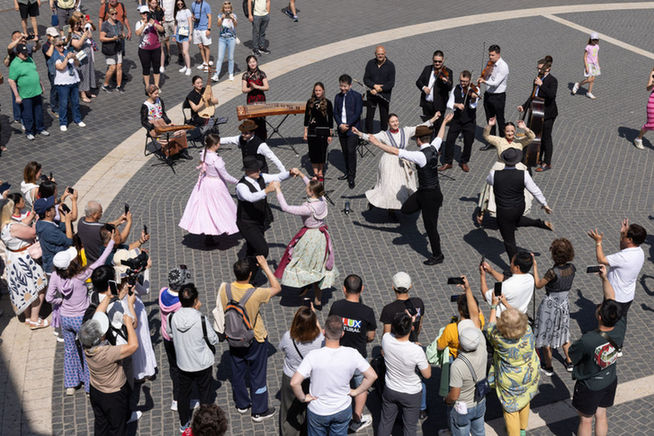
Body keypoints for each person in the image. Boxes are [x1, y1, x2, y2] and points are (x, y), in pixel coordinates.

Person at [367, 113, 453, 265]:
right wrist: (444, 122)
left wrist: (377, 143)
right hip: (428, 192)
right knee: (406, 209)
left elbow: (395, 151)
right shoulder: (434, 147)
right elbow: (440, 136)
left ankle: (438, 255)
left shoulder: (420, 156)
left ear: (418, 140)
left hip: (429, 196)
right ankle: (420, 207)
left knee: (431, 227)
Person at [46, 235, 116, 395]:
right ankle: (89, 386)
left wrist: (60, 301)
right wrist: (111, 243)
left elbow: (49, 298)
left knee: (69, 350)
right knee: (88, 350)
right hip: (82, 318)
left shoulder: (55, 276)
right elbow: (100, 262)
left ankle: (71, 384)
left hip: (65, 318)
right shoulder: (81, 275)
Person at [217, 256, 281, 422]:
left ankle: (242, 404)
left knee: (237, 373)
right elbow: (277, 287)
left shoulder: (225, 289)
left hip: (233, 336)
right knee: (257, 375)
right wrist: (265, 267)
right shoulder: (256, 293)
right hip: (255, 338)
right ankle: (259, 410)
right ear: (251, 274)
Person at [290, 315, 378, 436]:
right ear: (342, 334)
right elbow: (372, 376)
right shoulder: (352, 353)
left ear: (324, 332)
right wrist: (356, 392)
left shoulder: (313, 356)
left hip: (318, 410)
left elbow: (294, 382)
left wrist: (303, 398)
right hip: (342, 408)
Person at [570, 266, 624, 436]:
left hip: (590, 385)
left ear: (599, 316)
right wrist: (604, 278)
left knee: (586, 419)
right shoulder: (619, 325)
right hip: (610, 379)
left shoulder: (588, 339)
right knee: (601, 414)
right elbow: (611, 298)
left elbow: (573, 354)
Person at [272, 169, 338, 309]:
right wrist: (302, 174)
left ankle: (305, 288)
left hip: (309, 238)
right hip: (321, 237)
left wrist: (278, 190)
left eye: (307, 188)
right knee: (319, 266)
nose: (305, 188)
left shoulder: (308, 209)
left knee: (303, 264)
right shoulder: (322, 199)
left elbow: (285, 207)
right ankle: (318, 299)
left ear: (311, 192)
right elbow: (312, 185)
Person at [352, 112, 439, 214]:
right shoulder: (384, 135)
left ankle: (396, 207)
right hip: (389, 162)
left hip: (403, 162)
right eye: (392, 122)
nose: (395, 123)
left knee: (402, 185)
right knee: (391, 186)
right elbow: (371, 137)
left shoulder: (406, 131)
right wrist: (359, 133)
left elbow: (419, 128)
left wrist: (433, 119)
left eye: (396, 121)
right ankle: (390, 210)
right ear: (388, 123)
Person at [167, 283, 219, 433]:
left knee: (183, 394)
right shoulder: (200, 319)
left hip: (183, 363)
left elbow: (170, 334)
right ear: (195, 300)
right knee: (205, 395)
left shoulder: (172, 317)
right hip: (202, 363)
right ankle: (204, 425)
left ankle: (184, 424)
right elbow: (213, 339)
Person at [328, 274, 376, 432]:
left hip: (338, 355)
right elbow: (371, 336)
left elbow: (331, 327)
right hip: (357, 358)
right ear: (362, 289)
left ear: (344, 289)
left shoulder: (336, 307)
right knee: (361, 387)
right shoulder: (367, 312)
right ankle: (356, 418)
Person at [79, 307, 138, 435]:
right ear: (99, 338)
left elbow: (97, 315)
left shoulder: (85, 344)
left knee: (101, 424)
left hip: (96, 390)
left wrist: (107, 298)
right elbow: (133, 346)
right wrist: (129, 324)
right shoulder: (106, 353)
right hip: (113, 396)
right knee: (118, 428)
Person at [484, 300, 539, 436]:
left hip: (510, 379)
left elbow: (490, 326)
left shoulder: (499, 339)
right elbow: (519, 320)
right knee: (524, 399)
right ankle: (522, 429)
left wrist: (494, 306)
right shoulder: (528, 331)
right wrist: (507, 305)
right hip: (529, 372)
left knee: (511, 410)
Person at [486, 148, 553, 260]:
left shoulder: (494, 174)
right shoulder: (524, 174)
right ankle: (540, 223)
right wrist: (544, 204)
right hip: (518, 207)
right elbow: (535, 190)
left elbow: (488, 181)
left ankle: (514, 265)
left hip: (504, 211)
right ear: (517, 161)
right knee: (516, 220)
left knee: (509, 241)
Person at [378, 313, 431, 436]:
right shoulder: (416, 351)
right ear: (411, 328)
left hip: (391, 389)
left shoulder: (386, 339)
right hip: (411, 394)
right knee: (410, 427)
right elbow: (427, 374)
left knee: (385, 422)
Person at [178, 133, 240, 239]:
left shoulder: (204, 153)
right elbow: (225, 176)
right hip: (216, 185)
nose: (220, 145)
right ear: (214, 145)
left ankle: (209, 234)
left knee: (206, 208)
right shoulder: (216, 160)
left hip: (205, 182)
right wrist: (238, 181)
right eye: (218, 143)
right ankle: (221, 227)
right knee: (220, 208)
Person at [587, 219, 646, 330]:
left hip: (614, 296)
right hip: (628, 296)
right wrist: (622, 234)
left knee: (607, 322)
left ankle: (605, 338)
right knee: (620, 320)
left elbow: (601, 259)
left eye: (625, 235)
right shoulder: (640, 252)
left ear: (630, 239)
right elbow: (623, 249)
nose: (623, 236)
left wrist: (598, 242)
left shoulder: (623, 257)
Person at [476, 117, 536, 225]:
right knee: (491, 193)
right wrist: (489, 125)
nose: (510, 133)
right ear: (504, 131)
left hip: (515, 171)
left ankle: (514, 214)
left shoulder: (520, 142)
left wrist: (524, 128)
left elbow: (532, 137)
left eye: (512, 131)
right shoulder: (499, 141)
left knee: (518, 194)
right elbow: (486, 136)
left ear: (515, 131)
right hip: (500, 169)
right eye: (508, 131)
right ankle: (482, 212)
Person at [532, 239, 575, 376]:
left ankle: (548, 366)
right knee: (564, 333)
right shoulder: (572, 268)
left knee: (546, 336)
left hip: (550, 307)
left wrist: (535, 267)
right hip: (564, 305)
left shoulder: (552, 272)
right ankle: (569, 361)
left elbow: (538, 285)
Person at [278, 306, 324, 436]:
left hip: (291, 376)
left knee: (289, 410)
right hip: (311, 379)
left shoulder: (288, 337)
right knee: (309, 409)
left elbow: (282, 348)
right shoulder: (320, 339)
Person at [235, 158, 292, 261]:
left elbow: (277, 177)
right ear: (248, 171)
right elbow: (250, 197)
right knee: (262, 250)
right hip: (247, 223)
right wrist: (266, 190)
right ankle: (252, 266)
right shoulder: (241, 186)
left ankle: (247, 267)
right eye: (256, 170)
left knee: (252, 249)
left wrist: (290, 173)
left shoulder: (261, 177)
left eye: (259, 169)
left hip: (259, 220)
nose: (259, 171)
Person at [0, 199, 47, 325]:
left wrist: (32, 214)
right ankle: (34, 319)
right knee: (38, 288)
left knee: (24, 289)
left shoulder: (3, 224)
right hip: (24, 260)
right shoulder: (12, 227)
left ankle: (27, 317)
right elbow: (32, 233)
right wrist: (36, 221)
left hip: (13, 259)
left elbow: (22, 224)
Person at [112, 249, 156, 381]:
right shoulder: (131, 281)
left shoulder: (115, 280)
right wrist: (147, 270)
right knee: (142, 340)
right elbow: (145, 290)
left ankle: (136, 373)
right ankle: (146, 370)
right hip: (136, 311)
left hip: (123, 313)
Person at [159, 266, 192, 411]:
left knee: (173, 367)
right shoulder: (180, 303)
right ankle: (182, 397)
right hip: (179, 340)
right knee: (184, 368)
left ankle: (176, 398)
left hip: (166, 337)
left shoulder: (162, 292)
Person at [518, 56, 558, 172]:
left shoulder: (552, 80)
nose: (539, 71)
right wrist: (524, 106)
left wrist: (542, 85)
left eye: (541, 69)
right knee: (536, 136)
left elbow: (551, 95)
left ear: (548, 69)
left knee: (546, 137)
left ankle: (547, 162)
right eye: (538, 68)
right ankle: (537, 158)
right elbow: (533, 95)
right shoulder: (537, 78)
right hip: (537, 111)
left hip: (548, 113)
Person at [440, 70, 479, 172]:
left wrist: (473, 98)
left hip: (469, 120)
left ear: (469, 81)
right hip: (457, 119)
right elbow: (449, 104)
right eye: (461, 81)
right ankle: (448, 162)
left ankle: (464, 161)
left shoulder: (475, 90)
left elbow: (473, 106)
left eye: (465, 81)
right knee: (449, 140)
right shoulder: (455, 88)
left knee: (468, 142)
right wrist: (456, 105)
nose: (463, 83)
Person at [8, 43, 49, 140]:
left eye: (26, 52)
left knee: (39, 112)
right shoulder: (15, 64)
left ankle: (40, 128)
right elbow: (11, 80)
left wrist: (41, 85)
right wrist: (17, 95)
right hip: (25, 94)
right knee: (28, 114)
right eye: (23, 53)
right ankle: (29, 131)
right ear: (18, 53)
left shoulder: (30, 59)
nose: (26, 54)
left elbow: (35, 72)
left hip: (36, 91)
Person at [141, 84, 190, 158]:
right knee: (165, 137)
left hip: (162, 123)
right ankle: (168, 154)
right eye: (155, 94)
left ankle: (182, 151)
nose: (157, 95)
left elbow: (163, 113)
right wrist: (152, 128)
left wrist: (168, 122)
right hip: (153, 126)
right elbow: (143, 121)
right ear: (149, 94)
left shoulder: (159, 100)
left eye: (158, 93)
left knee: (181, 132)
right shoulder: (145, 106)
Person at [481, 251, 535, 317]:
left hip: (505, 320)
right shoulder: (531, 278)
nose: (510, 264)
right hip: (521, 318)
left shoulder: (506, 286)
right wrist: (491, 271)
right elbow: (506, 279)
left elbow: (485, 296)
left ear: (517, 267)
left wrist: (482, 275)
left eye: (512, 262)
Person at [221, 119, 285, 173]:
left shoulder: (260, 145)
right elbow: (228, 140)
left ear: (252, 133)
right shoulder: (240, 138)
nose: (243, 135)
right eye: (242, 132)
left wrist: (283, 172)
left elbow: (273, 158)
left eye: (246, 133)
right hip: (248, 171)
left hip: (260, 172)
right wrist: (215, 141)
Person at [333, 74, 363, 189]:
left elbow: (357, 113)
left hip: (352, 129)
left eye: (345, 86)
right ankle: (347, 171)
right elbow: (335, 112)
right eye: (341, 86)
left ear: (350, 85)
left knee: (351, 151)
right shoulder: (337, 97)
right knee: (345, 152)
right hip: (341, 129)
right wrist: (340, 124)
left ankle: (351, 176)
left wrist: (348, 125)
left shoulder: (357, 96)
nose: (343, 88)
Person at [478, 44, 509, 149]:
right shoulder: (490, 63)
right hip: (488, 95)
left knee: (500, 120)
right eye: (489, 55)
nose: (490, 57)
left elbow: (495, 83)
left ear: (498, 54)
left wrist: (484, 81)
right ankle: (492, 142)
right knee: (490, 120)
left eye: (492, 55)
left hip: (498, 97)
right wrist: (484, 74)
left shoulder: (503, 66)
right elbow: (486, 75)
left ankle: (503, 142)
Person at [52, 36, 85, 131]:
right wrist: (66, 58)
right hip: (62, 83)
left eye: (63, 44)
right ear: (55, 46)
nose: (62, 47)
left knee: (75, 102)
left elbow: (77, 64)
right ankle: (63, 122)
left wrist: (75, 58)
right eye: (59, 45)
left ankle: (77, 119)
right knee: (63, 103)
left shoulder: (67, 52)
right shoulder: (55, 55)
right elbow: (61, 67)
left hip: (73, 80)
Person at [415, 50, 452, 134]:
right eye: (435, 61)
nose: (437, 63)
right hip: (427, 105)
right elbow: (418, 82)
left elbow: (449, 87)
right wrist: (424, 88)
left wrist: (445, 81)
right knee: (428, 127)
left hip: (439, 106)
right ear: (432, 60)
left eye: (439, 61)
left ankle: (437, 142)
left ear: (443, 60)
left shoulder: (448, 72)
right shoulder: (427, 69)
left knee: (438, 128)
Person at [34, 195, 73, 274]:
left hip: (50, 262)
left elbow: (61, 230)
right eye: (52, 207)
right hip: (56, 267)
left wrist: (61, 214)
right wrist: (68, 221)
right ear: (48, 213)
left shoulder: (40, 222)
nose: (55, 207)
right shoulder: (49, 229)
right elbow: (69, 241)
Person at [303, 82, 333, 181]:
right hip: (312, 130)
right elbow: (306, 117)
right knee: (313, 152)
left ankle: (320, 172)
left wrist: (330, 134)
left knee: (322, 152)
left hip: (323, 131)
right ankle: (315, 173)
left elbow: (330, 119)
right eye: (316, 90)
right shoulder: (310, 102)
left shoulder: (328, 102)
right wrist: (305, 132)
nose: (318, 92)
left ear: (323, 91)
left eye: (319, 90)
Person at [363, 46, 395, 133]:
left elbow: (391, 83)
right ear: (375, 54)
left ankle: (384, 134)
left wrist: (378, 89)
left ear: (385, 54)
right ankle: (369, 134)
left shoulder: (390, 65)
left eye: (382, 54)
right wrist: (374, 85)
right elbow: (366, 79)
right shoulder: (370, 63)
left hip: (384, 96)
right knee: (369, 116)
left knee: (384, 117)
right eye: (378, 54)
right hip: (372, 95)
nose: (380, 56)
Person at [135, 4, 164, 88]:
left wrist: (154, 24)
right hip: (144, 49)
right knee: (146, 68)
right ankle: (147, 86)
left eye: (147, 13)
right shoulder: (139, 23)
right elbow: (137, 33)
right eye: (143, 13)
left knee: (156, 67)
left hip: (156, 48)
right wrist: (144, 25)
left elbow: (162, 29)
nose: (145, 15)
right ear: (140, 14)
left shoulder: (153, 21)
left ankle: (156, 86)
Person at [184, 75, 220, 140]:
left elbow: (216, 101)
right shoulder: (191, 96)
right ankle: (206, 136)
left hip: (207, 112)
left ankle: (209, 135)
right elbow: (195, 109)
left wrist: (211, 100)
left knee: (213, 120)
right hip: (197, 116)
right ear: (193, 84)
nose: (200, 84)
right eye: (198, 83)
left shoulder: (205, 90)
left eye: (201, 82)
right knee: (210, 121)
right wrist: (203, 101)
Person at [99, 6, 126, 93]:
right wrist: (112, 39)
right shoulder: (105, 25)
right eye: (112, 14)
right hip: (110, 48)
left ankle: (119, 86)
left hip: (118, 47)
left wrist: (123, 35)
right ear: (108, 15)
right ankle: (105, 85)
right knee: (112, 67)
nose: (114, 15)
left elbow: (122, 32)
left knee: (119, 66)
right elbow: (101, 38)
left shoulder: (118, 23)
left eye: (116, 13)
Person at [241, 54, 269, 139]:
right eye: (250, 62)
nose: (252, 64)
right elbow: (244, 90)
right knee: (252, 120)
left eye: (253, 61)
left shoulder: (262, 74)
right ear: (248, 64)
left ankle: (262, 139)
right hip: (251, 99)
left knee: (261, 120)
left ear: (256, 62)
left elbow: (267, 87)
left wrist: (257, 87)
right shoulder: (245, 75)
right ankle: (252, 139)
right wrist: (251, 88)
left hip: (261, 98)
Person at [69, 16, 96, 102]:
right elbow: (78, 45)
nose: (78, 25)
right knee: (82, 75)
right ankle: (82, 94)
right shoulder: (71, 35)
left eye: (79, 23)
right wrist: (84, 36)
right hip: (80, 58)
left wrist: (85, 29)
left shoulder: (81, 30)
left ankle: (87, 90)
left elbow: (90, 36)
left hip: (87, 57)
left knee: (88, 73)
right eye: (76, 24)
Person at [211, 1, 237, 82]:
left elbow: (235, 25)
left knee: (231, 57)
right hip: (222, 38)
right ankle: (216, 75)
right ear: (223, 9)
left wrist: (233, 19)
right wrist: (221, 18)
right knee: (220, 58)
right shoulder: (220, 15)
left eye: (228, 8)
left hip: (231, 38)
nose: (227, 9)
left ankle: (231, 73)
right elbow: (218, 25)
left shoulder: (234, 15)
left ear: (231, 8)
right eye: (225, 8)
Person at [572, 32, 600, 99]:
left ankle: (589, 92)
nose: (595, 41)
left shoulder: (597, 47)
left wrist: (598, 64)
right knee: (589, 79)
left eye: (596, 40)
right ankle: (578, 85)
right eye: (594, 40)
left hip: (594, 64)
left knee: (592, 79)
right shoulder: (588, 47)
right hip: (589, 64)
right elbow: (585, 57)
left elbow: (596, 56)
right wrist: (586, 66)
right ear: (591, 39)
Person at [633, 66, 654, 149]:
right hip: (653, 102)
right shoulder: (653, 73)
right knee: (651, 124)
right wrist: (652, 84)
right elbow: (648, 88)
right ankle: (638, 138)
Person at [190, 0, 212, 70]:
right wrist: (193, 18)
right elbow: (192, 13)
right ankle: (204, 62)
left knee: (206, 46)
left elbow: (209, 17)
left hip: (204, 28)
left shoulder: (206, 5)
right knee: (200, 46)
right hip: (196, 28)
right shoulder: (193, 4)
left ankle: (207, 64)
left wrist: (209, 29)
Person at [174, 0, 193, 74]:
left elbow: (190, 23)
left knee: (185, 51)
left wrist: (190, 34)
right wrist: (175, 34)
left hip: (186, 31)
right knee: (182, 50)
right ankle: (185, 65)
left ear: (183, 3)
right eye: (178, 4)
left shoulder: (187, 11)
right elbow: (176, 24)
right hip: (179, 32)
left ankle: (189, 68)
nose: (180, 5)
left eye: (181, 4)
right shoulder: (177, 12)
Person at [160, 0, 175, 70]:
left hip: (173, 19)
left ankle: (181, 53)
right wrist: (160, 9)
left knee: (178, 37)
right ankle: (168, 54)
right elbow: (157, 6)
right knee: (166, 38)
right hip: (164, 20)